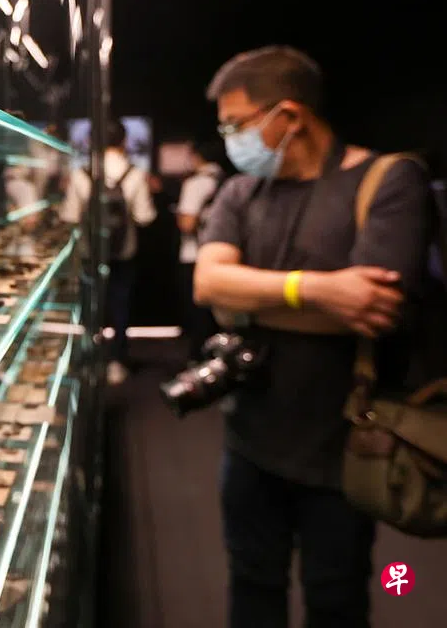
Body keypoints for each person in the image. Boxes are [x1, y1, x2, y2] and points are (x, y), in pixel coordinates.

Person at [194, 46, 428, 628]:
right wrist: (317, 290)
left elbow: (373, 309)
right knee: (252, 584)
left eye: (236, 124)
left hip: (345, 446)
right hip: (248, 438)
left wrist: (247, 302)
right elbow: (209, 283)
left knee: (336, 597)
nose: (230, 139)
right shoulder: (241, 191)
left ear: (290, 115)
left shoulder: (389, 180)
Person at [60, 120, 157, 384]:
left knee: (90, 306)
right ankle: (117, 362)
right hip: (124, 252)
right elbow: (145, 217)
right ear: (124, 141)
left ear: (91, 142)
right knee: (120, 305)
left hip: (90, 252)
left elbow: (69, 216)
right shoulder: (135, 173)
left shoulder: (81, 173)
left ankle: (90, 360)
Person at [176, 140, 225, 361]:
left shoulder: (196, 183)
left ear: (197, 156)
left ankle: (199, 360)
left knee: (198, 315)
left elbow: (187, 223)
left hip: (195, 255)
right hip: (223, 255)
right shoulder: (228, 181)